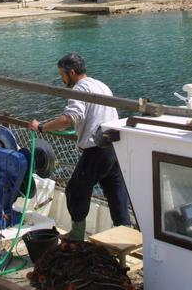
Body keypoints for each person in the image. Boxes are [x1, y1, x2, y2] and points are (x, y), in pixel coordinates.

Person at [28, 52, 130, 241]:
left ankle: (77, 234)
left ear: (72, 72)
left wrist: (41, 127)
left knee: (76, 190)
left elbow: (69, 118)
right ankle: (125, 234)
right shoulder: (101, 85)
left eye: (62, 75)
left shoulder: (79, 88)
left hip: (96, 148)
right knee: (116, 192)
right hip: (115, 146)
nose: (62, 78)